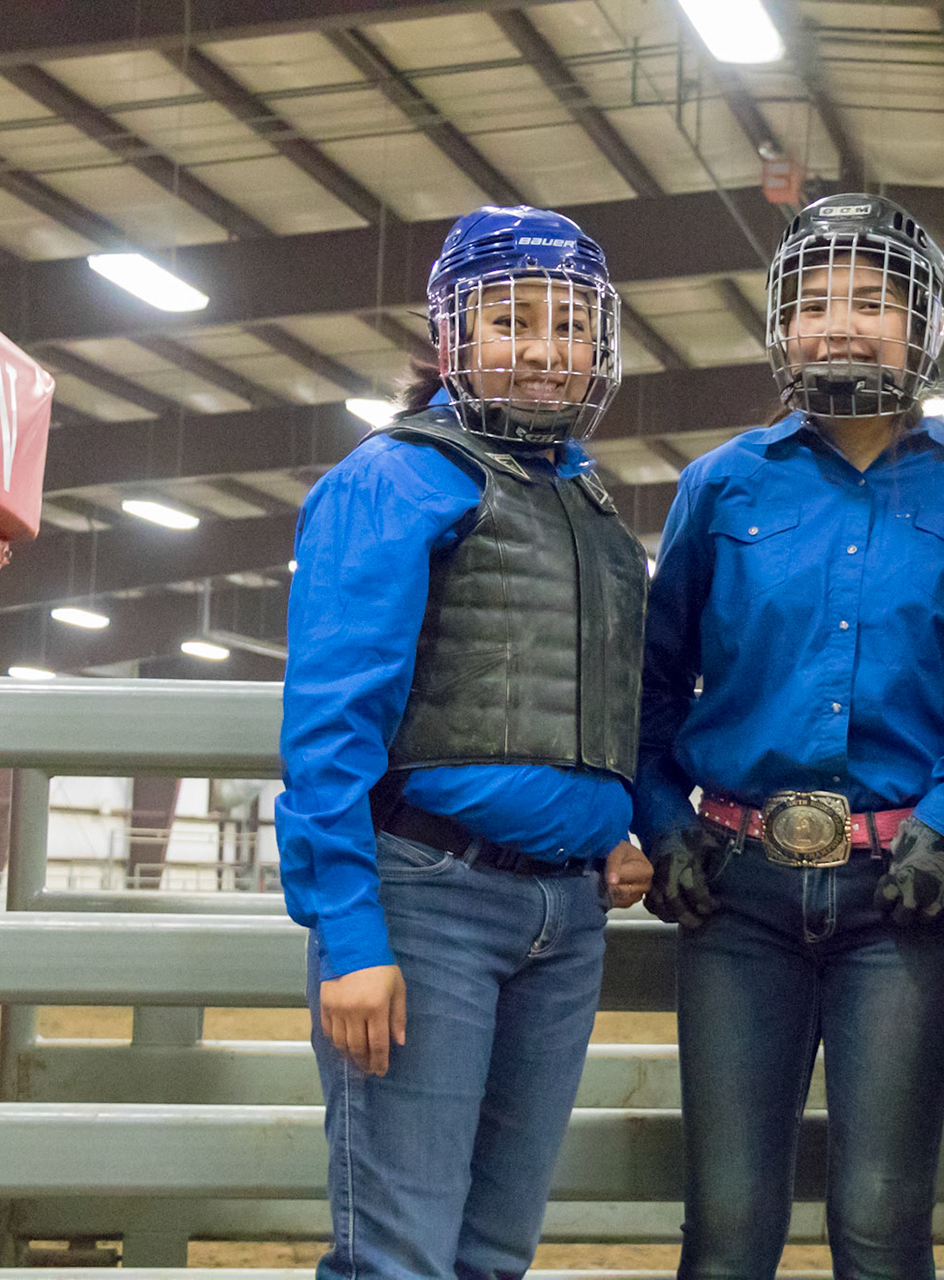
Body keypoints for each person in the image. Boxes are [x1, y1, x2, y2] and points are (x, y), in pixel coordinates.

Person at [633, 192, 944, 1280]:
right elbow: (649, 685)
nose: (841, 325)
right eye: (815, 303)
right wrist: (661, 820)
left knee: (880, 1222)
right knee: (728, 1226)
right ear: (781, 327)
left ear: (923, 326)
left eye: (874, 301)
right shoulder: (721, 486)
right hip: (736, 894)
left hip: (907, 894)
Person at [276, 204, 653, 1280]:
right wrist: (353, 935)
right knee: (399, 1251)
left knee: (495, 1247)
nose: (543, 349)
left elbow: (592, 684)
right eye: (509, 319)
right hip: (430, 899)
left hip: (566, 914)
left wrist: (612, 820)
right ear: (450, 336)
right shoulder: (395, 479)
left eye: (569, 324)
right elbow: (331, 724)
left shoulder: (584, 496)